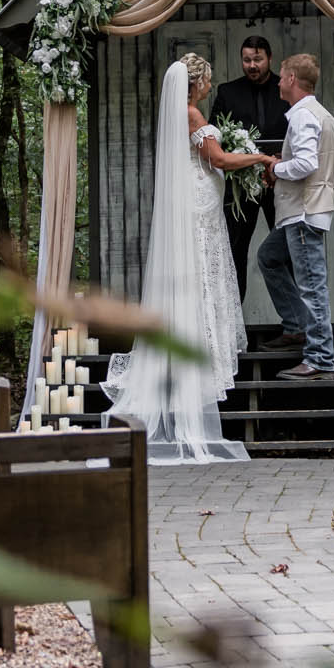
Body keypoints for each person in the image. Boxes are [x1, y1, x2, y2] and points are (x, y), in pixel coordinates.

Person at [99, 53, 274, 463]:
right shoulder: (193, 114)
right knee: (201, 280)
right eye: (208, 81)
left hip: (198, 207)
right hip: (198, 212)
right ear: (196, 84)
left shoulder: (182, 113)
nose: (211, 86)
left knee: (198, 280)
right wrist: (259, 157)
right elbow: (218, 160)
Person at [256, 53, 334, 379]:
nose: (278, 81)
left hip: (304, 213)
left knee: (312, 287)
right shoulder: (317, 114)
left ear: (291, 79)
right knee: (269, 257)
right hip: (300, 212)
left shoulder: (304, 116)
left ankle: (320, 359)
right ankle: (295, 325)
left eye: (281, 76)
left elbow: (306, 164)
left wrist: (276, 167)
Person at [209, 35, 289, 300]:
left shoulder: (286, 88)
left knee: (287, 250)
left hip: (281, 184)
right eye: (247, 60)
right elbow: (215, 137)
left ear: (269, 59)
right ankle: (233, 324)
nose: (252, 65)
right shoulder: (227, 92)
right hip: (241, 189)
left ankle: (295, 326)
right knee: (234, 251)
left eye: (257, 59)